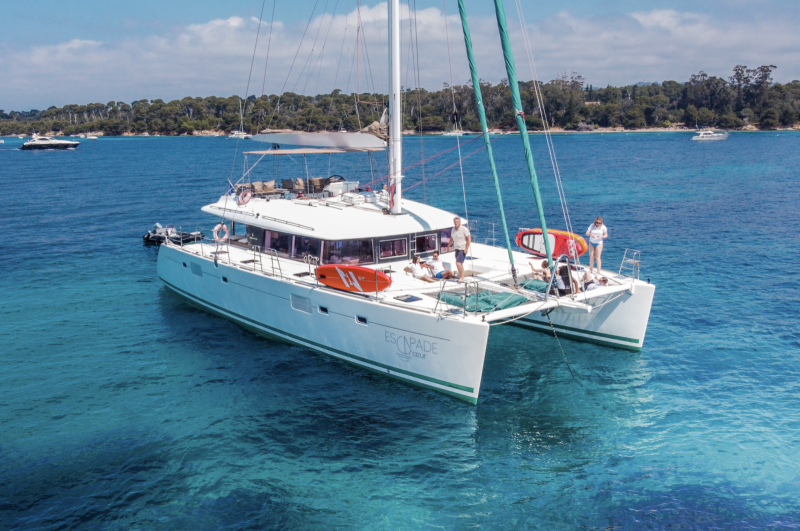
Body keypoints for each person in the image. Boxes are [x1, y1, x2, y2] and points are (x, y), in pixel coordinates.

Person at [446, 216, 471, 281]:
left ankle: (461, 278)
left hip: (462, 248)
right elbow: (452, 238)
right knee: (459, 264)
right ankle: (461, 277)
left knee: (458, 263)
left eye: (457, 222)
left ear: (459, 222)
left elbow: (469, 238)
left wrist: (466, 248)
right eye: (455, 222)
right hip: (456, 249)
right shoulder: (453, 229)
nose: (456, 223)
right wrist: (448, 246)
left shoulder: (464, 229)